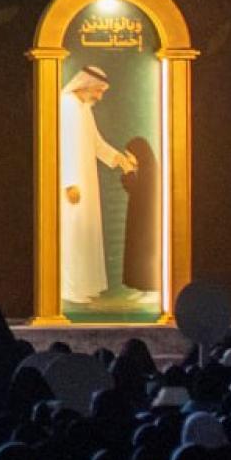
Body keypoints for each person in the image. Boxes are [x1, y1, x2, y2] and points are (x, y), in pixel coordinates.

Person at [59, 66, 137, 303]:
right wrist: (69, 182)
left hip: (86, 181)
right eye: (99, 90)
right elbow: (63, 146)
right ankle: (70, 290)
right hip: (71, 184)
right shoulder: (65, 106)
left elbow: (96, 143)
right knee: (73, 233)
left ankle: (85, 286)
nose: (100, 96)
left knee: (86, 232)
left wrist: (120, 160)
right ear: (86, 85)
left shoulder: (83, 108)